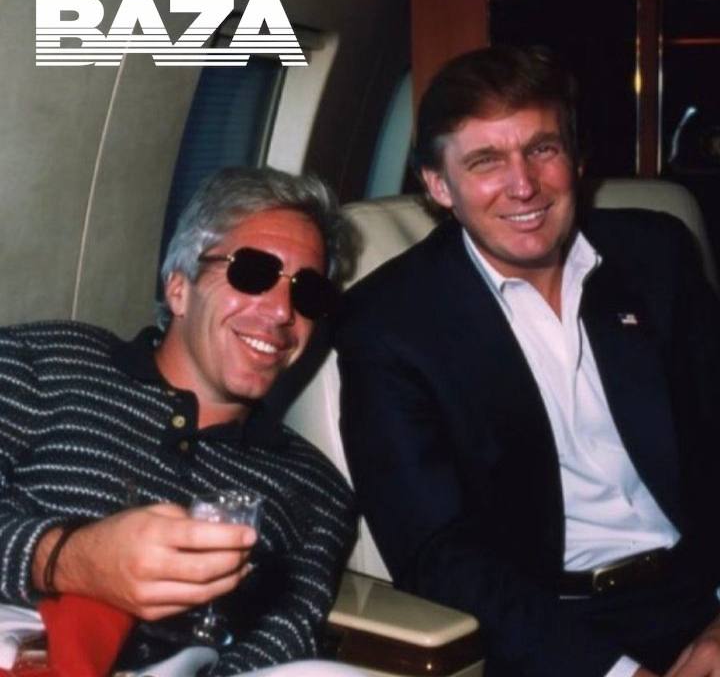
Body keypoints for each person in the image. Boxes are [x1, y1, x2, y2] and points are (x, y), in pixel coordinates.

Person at [335, 45, 720, 677]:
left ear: (575, 158)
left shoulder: (657, 256)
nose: (523, 185)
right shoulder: (390, 323)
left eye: (542, 149)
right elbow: (435, 551)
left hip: (700, 594)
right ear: (438, 186)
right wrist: (615, 673)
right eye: (486, 161)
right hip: (546, 630)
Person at [0, 167, 361, 676]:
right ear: (178, 288)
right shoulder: (42, 364)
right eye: (253, 273)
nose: (282, 311)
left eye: (308, 294)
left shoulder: (317, 493)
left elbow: (276, 648)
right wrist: (70, 559)